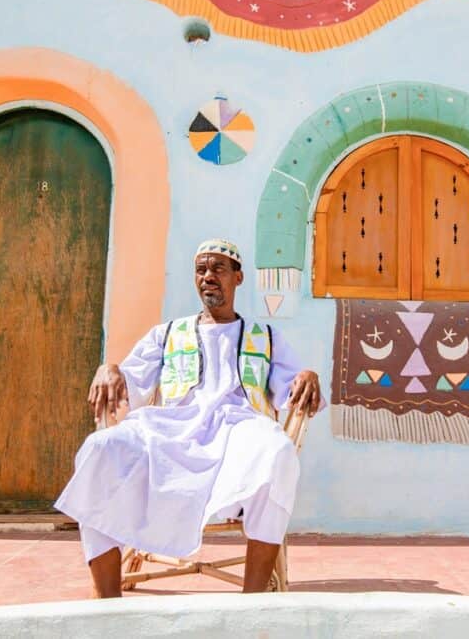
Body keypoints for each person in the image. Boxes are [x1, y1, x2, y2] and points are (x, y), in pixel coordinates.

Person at [55, 239, 323, 597]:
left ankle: (254, 600)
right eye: (201, 270)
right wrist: (108, 367)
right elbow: (129, 379)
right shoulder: (166, 334)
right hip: (170, 431)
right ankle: (107, 601)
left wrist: (307, 376)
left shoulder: (266, 337)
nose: (208, 276)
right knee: (100, 448)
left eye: (218, 269)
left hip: (238, 433)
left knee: (278, 452)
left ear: (238, 278)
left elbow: (292, 390)